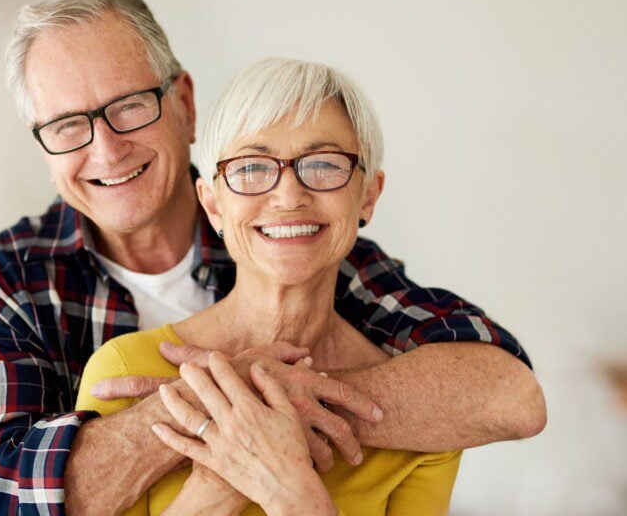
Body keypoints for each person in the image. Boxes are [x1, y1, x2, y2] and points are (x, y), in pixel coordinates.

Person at [0, 0, 545, 516]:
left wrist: (271, 397)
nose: (106, 149)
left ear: (184, 102)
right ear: (44, 146)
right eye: (65, 125)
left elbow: (504, 387)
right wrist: (215, 408)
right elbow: (0, 493)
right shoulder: (14, 276)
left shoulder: (293, 237)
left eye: (130, 104)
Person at [76, 57, 469, 515]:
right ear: (213, 204)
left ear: (368, 196)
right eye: (251, 168)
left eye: (323, 164)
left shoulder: (423, 426)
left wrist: (292, 491)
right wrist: (224, 477)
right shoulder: (123, 371)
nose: (288, 196)